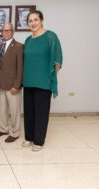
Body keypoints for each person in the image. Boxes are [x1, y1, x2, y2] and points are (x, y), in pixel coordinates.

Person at [22, 10, 63, 151]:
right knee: (28, 112)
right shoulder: (28, 40)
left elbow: (57, 59)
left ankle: (38, 141)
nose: (33, 23)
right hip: (28, 82)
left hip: (43, 83)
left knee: (41, 113)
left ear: (41, 21)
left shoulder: (50, 37)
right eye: (30, 21)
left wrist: (49, 76)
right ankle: (29, 137)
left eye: (35, 20)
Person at [0, 23, 23, 143]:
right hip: (1, 85)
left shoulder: (19, 47)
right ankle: (3, 129)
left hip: (13, 86)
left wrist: (17, 85)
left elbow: (20, 68)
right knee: (2, 109)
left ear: (12, 32)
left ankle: (15, 133)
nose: (5, 33)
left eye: (8, 30)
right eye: (3, 31)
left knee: (14, 111)